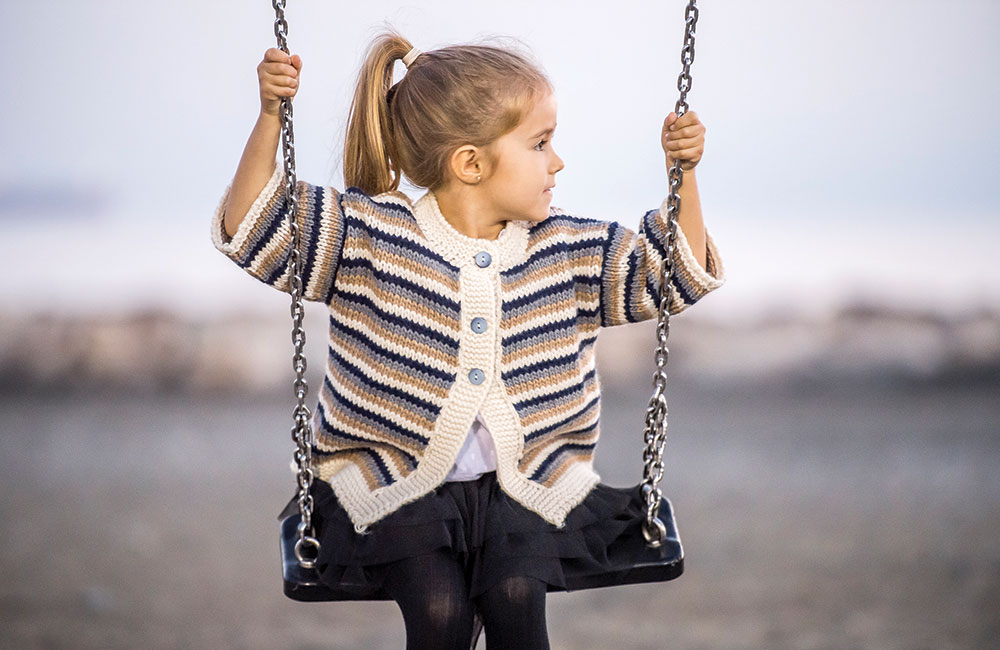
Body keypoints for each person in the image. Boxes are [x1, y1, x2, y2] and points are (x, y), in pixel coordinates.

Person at [211, 27, 725, 650]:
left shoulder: (564, 249)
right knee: (439, 612)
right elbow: (252, 225)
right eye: (540, 143)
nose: (557, 161)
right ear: (471, 163)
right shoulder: (372, 236)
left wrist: (685, 175)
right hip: (393, 483)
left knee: (514, 600)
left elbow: (671, 275)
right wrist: (271, 117)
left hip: (524, 486)